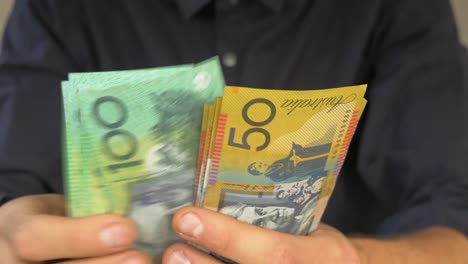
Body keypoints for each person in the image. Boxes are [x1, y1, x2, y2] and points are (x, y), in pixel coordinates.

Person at [0, 0, 467, 263]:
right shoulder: (60, 8)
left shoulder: (398, 8)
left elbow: (457, 214)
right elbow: (11, 190)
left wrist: (353, 260)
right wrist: (16, 242)